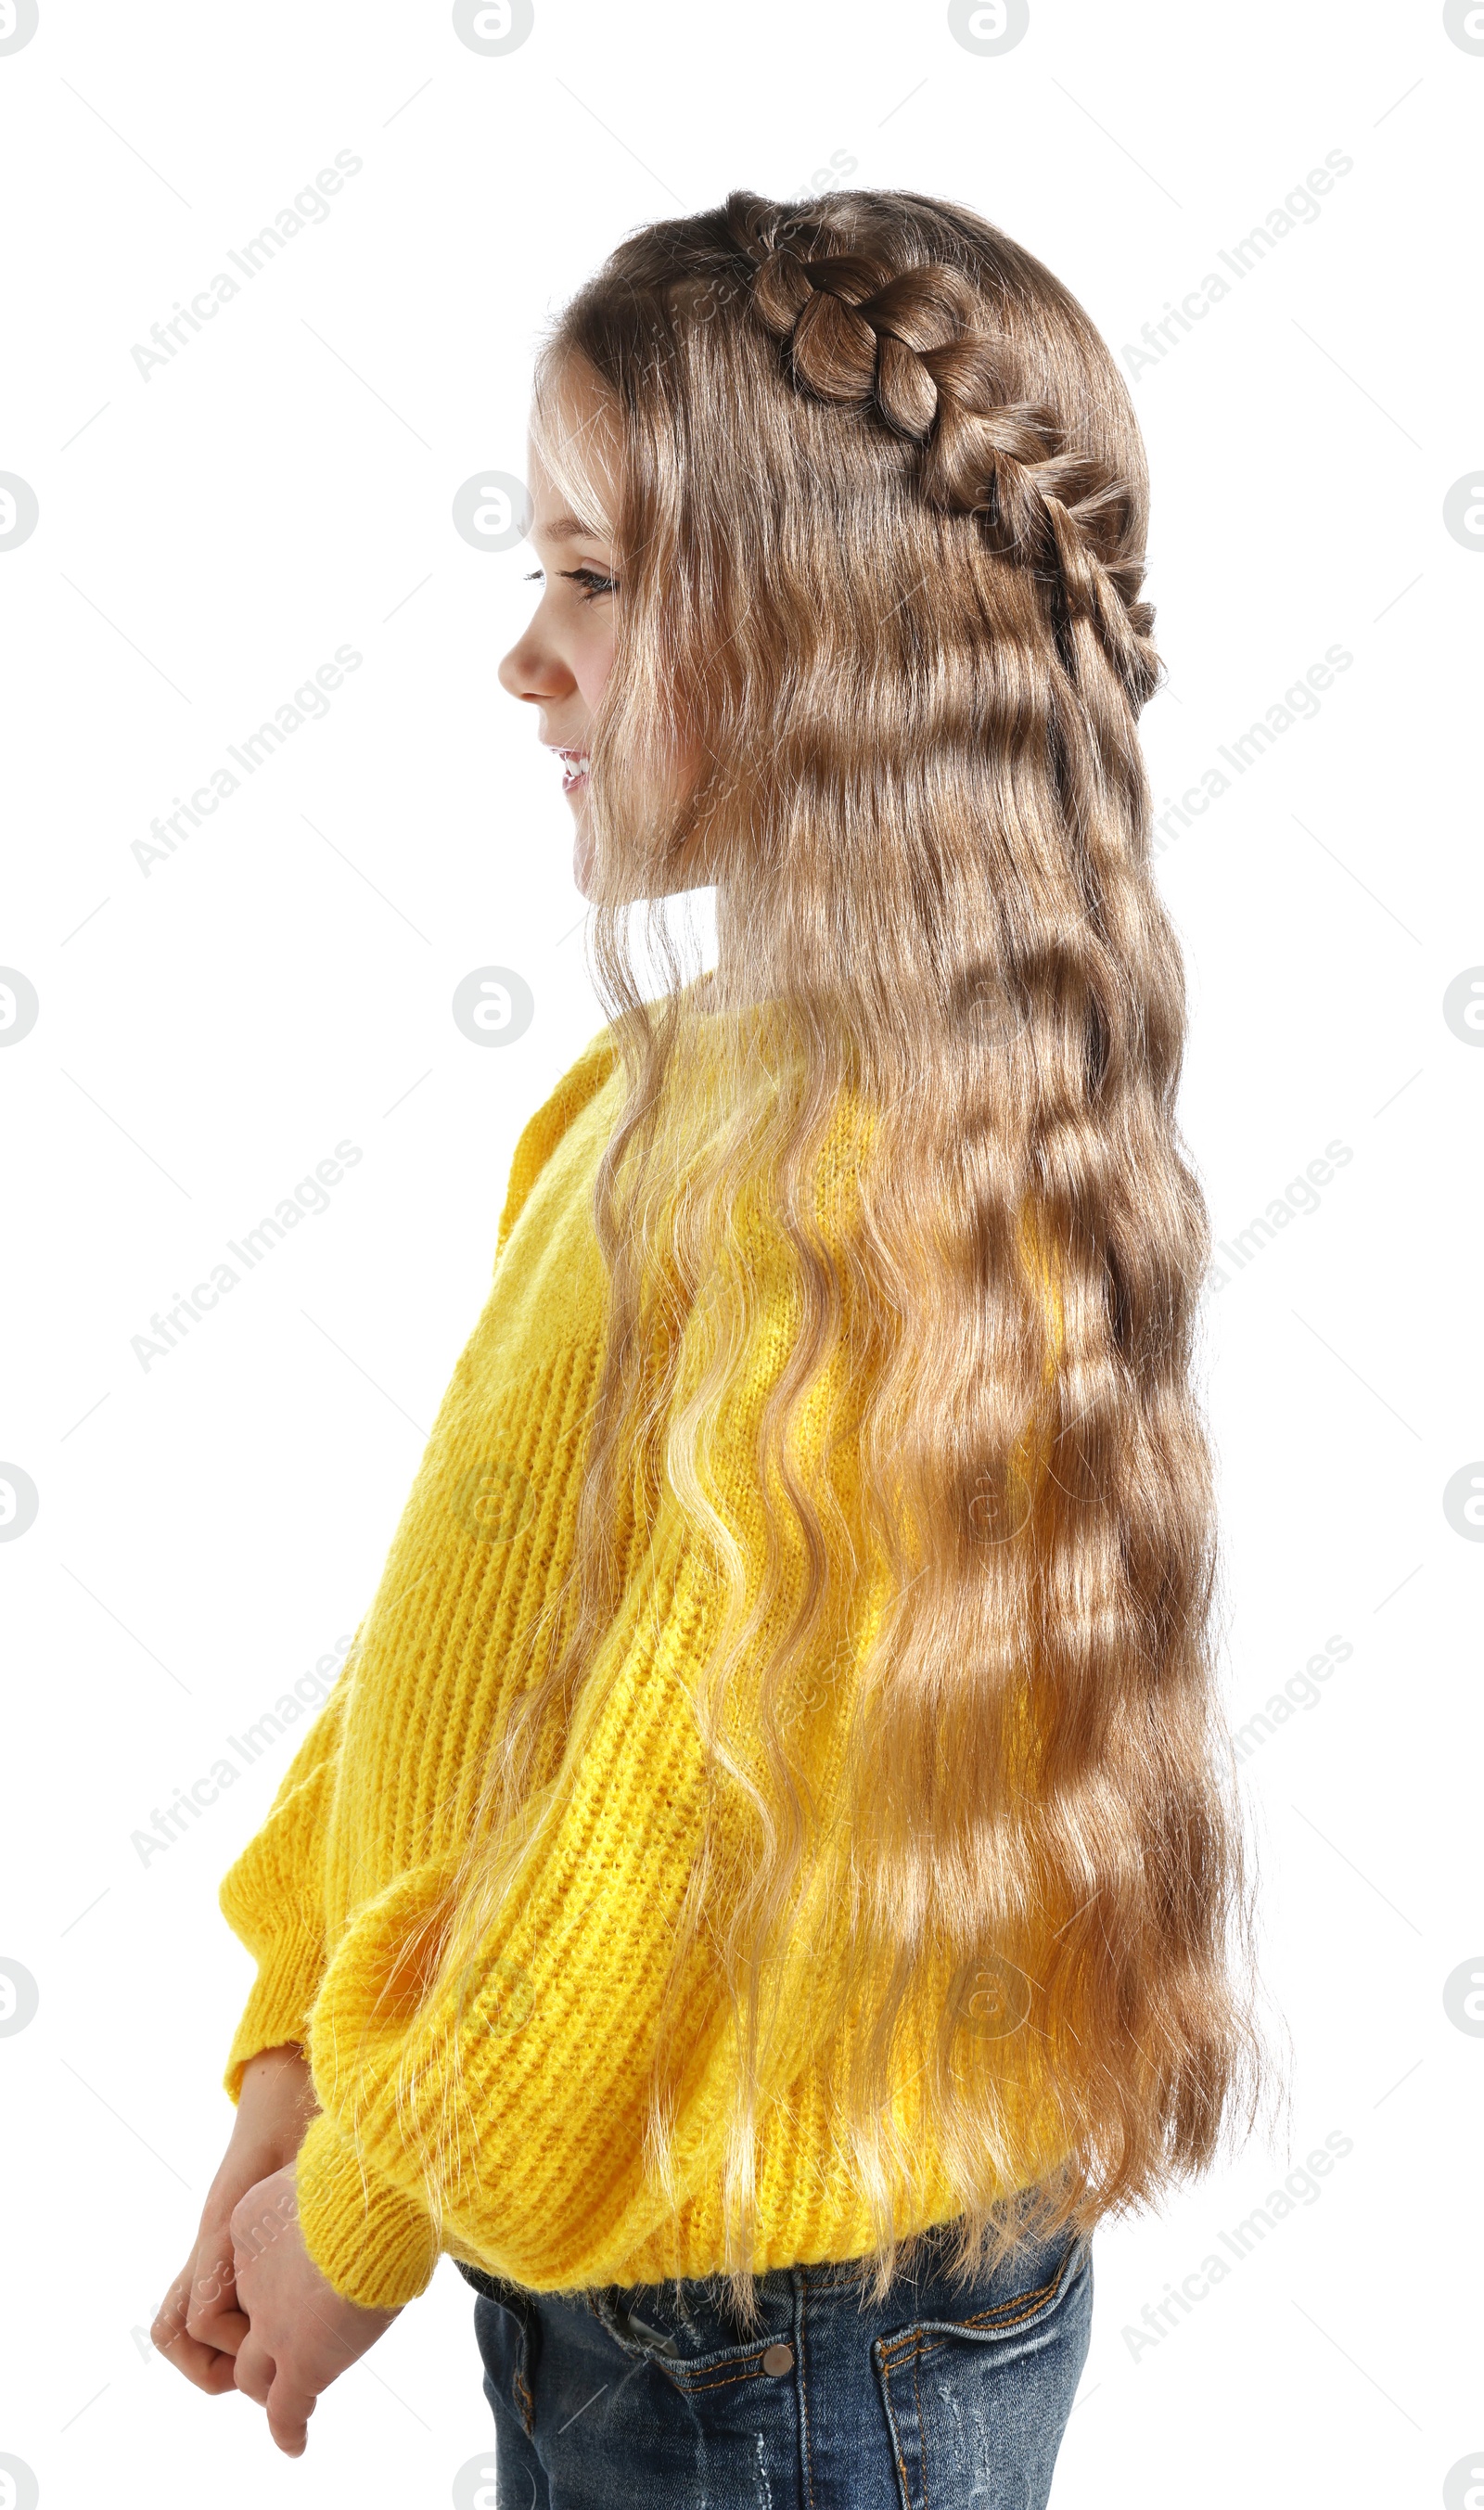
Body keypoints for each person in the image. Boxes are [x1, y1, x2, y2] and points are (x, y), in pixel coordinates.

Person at [151, 187, 1265, 2504]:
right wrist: (295, 2063)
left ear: (820, 642)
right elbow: (456, 1676)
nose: (522, 660)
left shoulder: (863, 1191)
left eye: (592, 579)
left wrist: (354, 2214)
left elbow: (645, 1836)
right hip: (642, 2296)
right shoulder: (679, 1097)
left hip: (771, 2362)